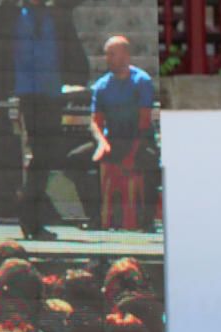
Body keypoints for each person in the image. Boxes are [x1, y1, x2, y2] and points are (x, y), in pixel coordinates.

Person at [0, 0, 89, 240]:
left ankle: (29, 208)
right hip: (28, 92)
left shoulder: (57, 12)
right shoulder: (11, 12)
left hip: (53, 91)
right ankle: (31, 215)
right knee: (41, 152)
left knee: (48, 155)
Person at [67, 36, 158, 231]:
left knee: (151, 162)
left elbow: (144, 121)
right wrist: (101, 142)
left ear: (125, 56)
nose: (107, 58)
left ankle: (146, 220)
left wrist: (131, 155)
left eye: (112, 54)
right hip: (112, 140)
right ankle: (95, 216)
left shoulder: (142, 81)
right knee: (74, 160)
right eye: (106, 54)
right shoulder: (101, 85)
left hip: (138, 139)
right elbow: (95, 121)